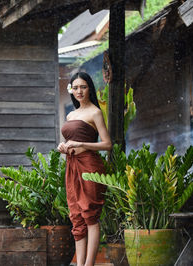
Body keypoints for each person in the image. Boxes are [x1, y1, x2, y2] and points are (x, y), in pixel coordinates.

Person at [58, 72, 112, 266]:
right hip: (72, 166)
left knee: (90, 214)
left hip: (90, 165)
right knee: (76, 216)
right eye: (75, 87)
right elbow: (71, 141)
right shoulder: (71, 114)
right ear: (71, 90)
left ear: (89, 88)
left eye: (83, 87)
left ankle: (89, 264)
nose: (79, 91)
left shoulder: (95, 112)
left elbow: (107, 144)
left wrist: (82, 143)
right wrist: (63, 147)